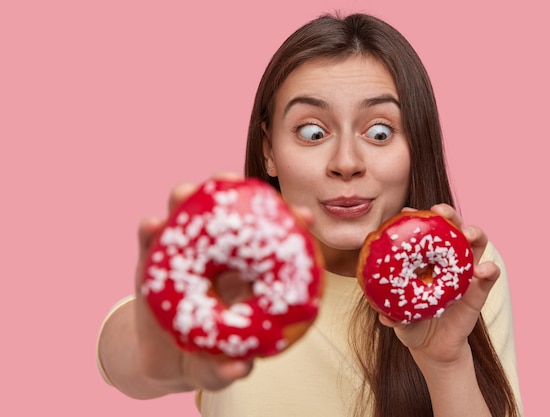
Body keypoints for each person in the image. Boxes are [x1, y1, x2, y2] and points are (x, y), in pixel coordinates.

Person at [97, 12, 523, 417]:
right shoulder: (230, 273)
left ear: (416, 146)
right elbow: (126, 355)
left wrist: (446, 363)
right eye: (312, 132)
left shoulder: (466, 277)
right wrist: (168, 347)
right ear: (269, 151)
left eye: (379, 132)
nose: (346, 162)